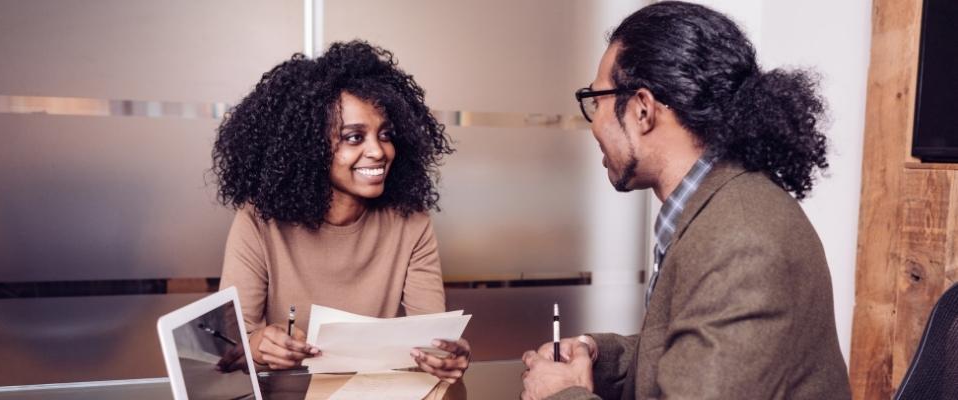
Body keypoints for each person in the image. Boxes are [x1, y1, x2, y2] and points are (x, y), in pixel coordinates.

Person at [520, 2, 851, 399]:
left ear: (642, 109)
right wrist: (594, 353)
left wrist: (561, 395)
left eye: (597, 101)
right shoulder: (714, 204)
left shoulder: (741, 242)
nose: (594, 123)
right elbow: (685, 351)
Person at [212, 40, 469, 383]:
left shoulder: (412, 223)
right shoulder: (258, 221)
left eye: (386, 134)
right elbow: (228, 348)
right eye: (354, 137)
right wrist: (256, 346)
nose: (378, 151)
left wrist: (446, 355)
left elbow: (431, 338)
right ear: (309, 147)